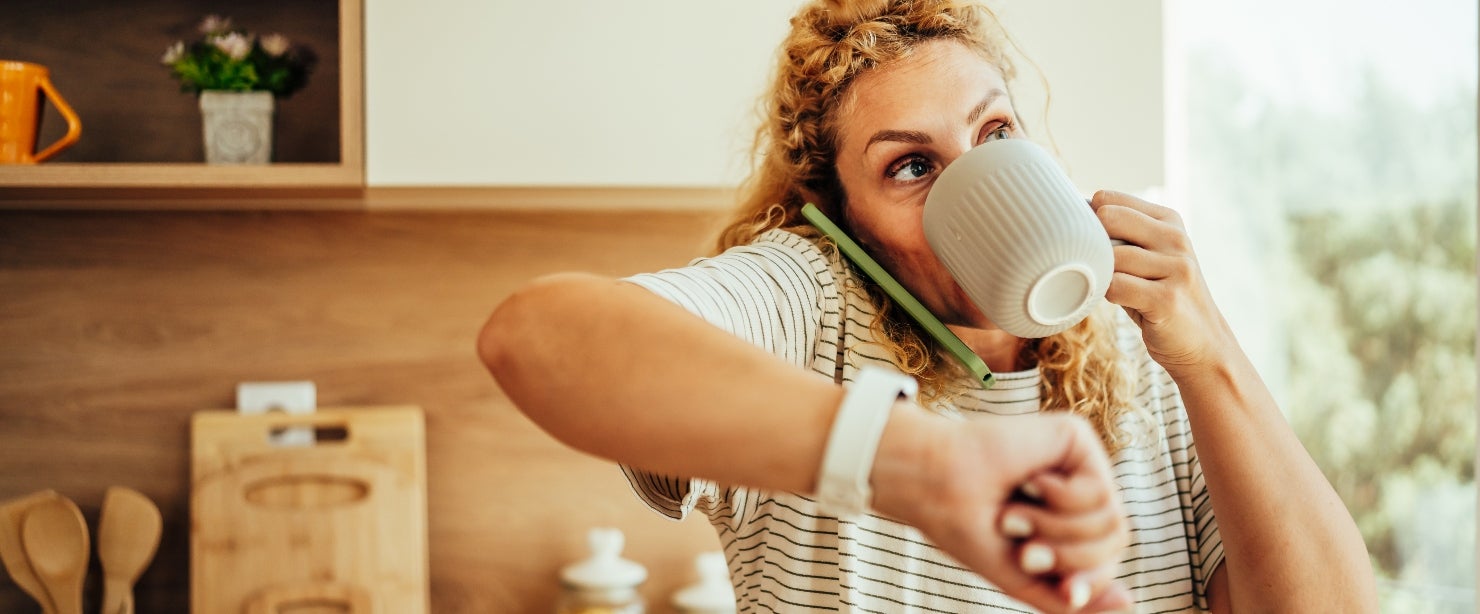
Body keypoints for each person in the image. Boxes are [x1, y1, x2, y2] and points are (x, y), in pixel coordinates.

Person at [479, 0, 1378, 612]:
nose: (978, 178)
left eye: (996, 134)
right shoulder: (813, 303)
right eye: (911, 166)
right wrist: (921, 466)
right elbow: (536, 335)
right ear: (843, 221)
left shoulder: (1148, 353)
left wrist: (1208, 349)